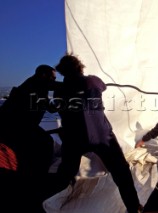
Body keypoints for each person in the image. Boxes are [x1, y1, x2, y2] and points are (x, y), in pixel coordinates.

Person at [53, 53, 142, 213]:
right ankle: (134, 207)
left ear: (62, 71)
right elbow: (103, 86)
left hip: (73, 138)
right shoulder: (92, 81)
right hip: (101, 136)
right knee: (121, 172)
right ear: (79, 66)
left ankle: (49, 202)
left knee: (65, 174)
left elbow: (59, 107)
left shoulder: (59, 90)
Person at [0, 65, 59, 212]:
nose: (54, 81)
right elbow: (50, 107)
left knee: (44, 142)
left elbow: (50, 106)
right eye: (52, 77)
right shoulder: (33, 88)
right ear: (43, 76)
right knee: (44, 143)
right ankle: (36, 183)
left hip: (21, 126)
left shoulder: (37, 85)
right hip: (14, 128)